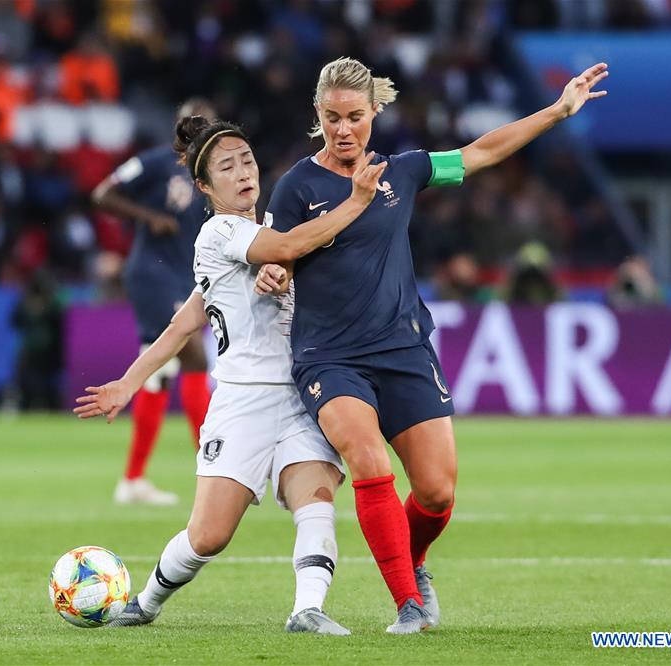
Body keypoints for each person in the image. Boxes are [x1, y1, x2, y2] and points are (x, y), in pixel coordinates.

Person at [256, 56, 609, 633]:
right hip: (330, 356)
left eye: (354, 116)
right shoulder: (298, 185)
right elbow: (278, 247)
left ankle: (413, 563)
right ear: (317, 116)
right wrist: (275, 272)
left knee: (438, 491)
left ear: (374, 112)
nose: (344, 129)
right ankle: (407, 606)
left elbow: (484, 151)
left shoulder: (405, 171)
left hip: (403, 350)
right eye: (332, 117)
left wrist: (557, 110)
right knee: (368, 461)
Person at [74, 116, 388, 633]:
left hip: (304, 392)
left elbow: (277, 263)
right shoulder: (219, 232)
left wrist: (284, 271)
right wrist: (129, 383)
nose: (243, 172)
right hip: (242, 401)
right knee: (209, 536)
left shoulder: (268, 228)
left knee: (315, 497)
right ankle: (146, 602)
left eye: (247, 160)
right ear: (204, 185)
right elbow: (185, 324)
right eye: (227, 166)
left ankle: (307, 609)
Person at [91, 99, 215, 505]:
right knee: (194, 357)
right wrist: (147, 217)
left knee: (160, 372)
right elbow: (103, 193)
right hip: (151, 274)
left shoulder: (210, 177)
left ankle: (133, 479)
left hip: (185, 278)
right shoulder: (156, 162)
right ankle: (215, 467)